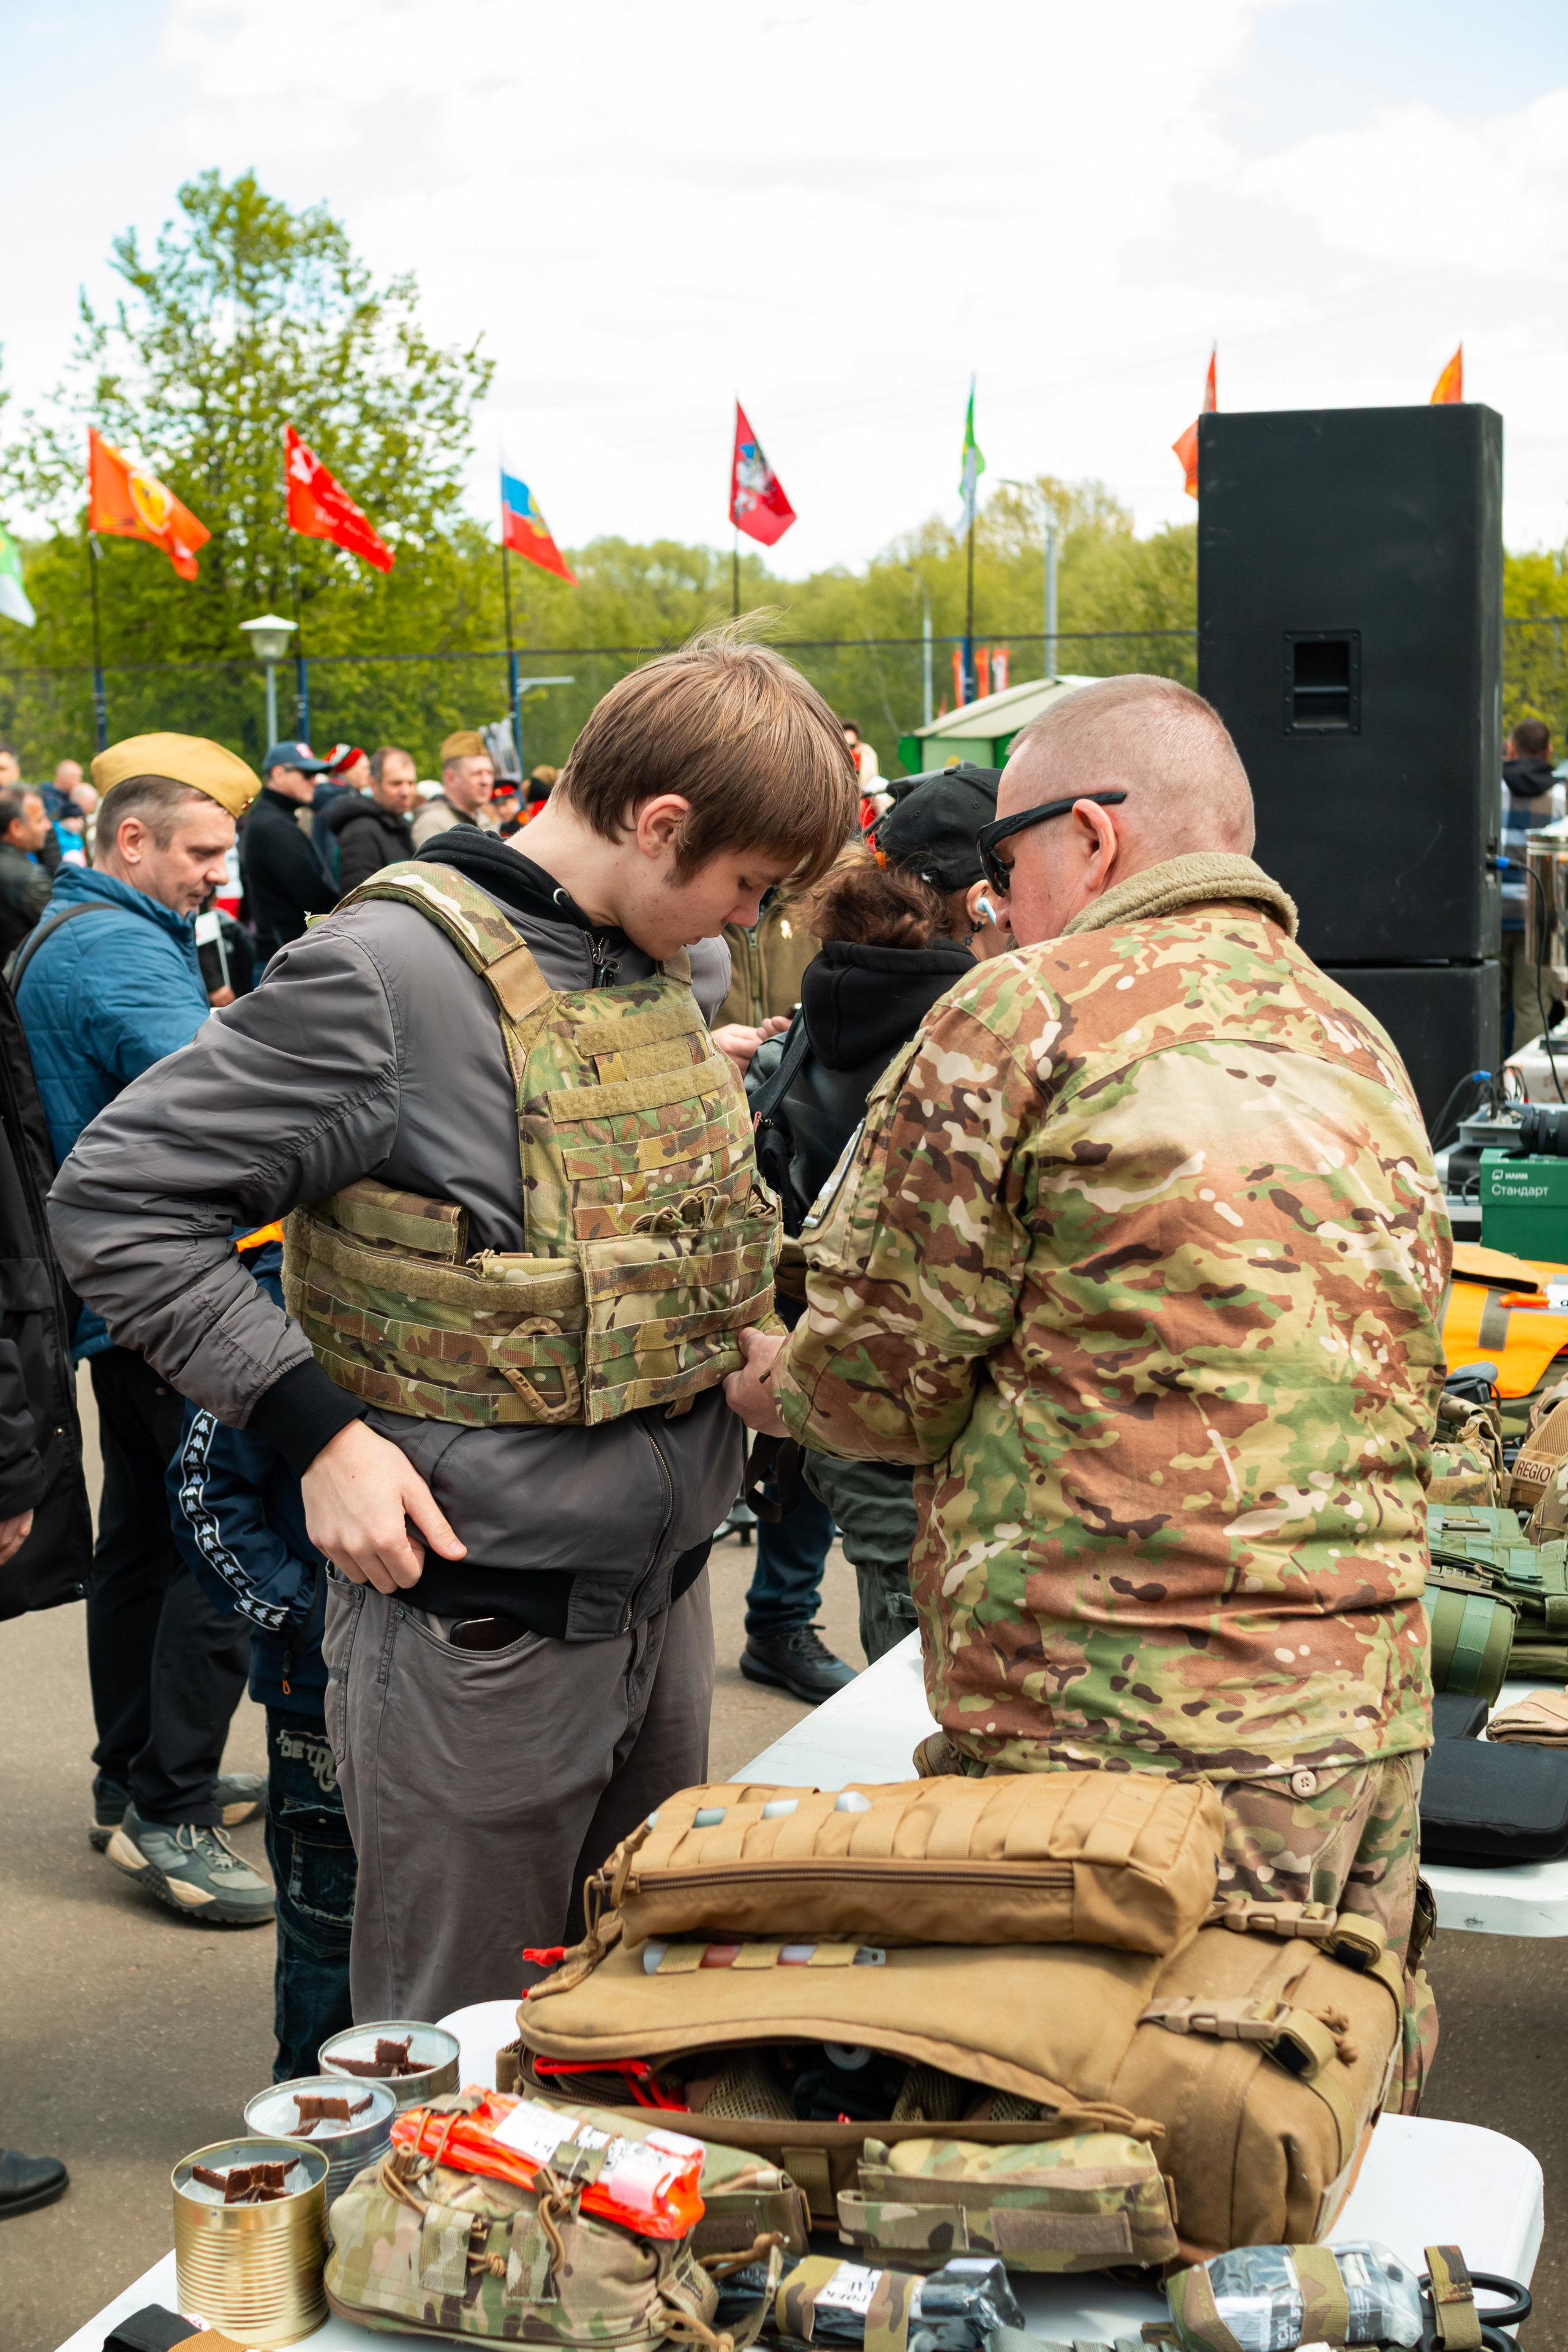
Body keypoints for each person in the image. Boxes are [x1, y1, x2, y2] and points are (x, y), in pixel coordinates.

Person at [48, 635, 857, 2022]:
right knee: (457, 2064)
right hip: (478, 1645)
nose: (745, 917)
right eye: (745, 881)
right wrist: (317, 1433)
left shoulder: (672, 974)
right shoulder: (384, 978)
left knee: (625, 2028)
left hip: (656, 1618)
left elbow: (637, 1239)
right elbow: (118, 1203)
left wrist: (741, 1347)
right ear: (659, 826)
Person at [727, 673, 1445, 2100]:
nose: (992, 904)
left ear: (1095, 838)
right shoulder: (1348, 1033)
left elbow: (875, 1391)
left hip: (1113, 1743)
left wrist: (756, 1372)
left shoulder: (1021, 1016)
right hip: (1360, 1712)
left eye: (1003, 864)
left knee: (1070, 2159)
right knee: (1295, 2116)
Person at [17, 734, 273, 1921]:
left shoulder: (87, 933)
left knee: (149, 1546)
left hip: (119, 1301)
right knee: (220, 1553)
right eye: (200, 852)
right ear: (131, 840)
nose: (215, 878)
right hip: (177, 1294)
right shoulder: (122, 949)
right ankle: (168, 1812)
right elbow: (222, 1120)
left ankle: (132, 1781)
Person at [751, 764, 1011, 1663]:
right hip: (925, 1418)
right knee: (927, 1702)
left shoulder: (842, 980)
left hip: (840, 1384)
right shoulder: (968, 1025)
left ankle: (778, 1623)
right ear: (980, 899)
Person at [168, 1233, 355, 2079]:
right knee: (329, 1923)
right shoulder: (276, 1298)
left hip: (467, 1682)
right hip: (316, 1695)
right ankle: (312, 2122)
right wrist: (304, 1616)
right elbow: (206, 1493)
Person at [240, 741, 338, 965]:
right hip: (284, 960)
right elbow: (315, 898)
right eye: (307, 775)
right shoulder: (274, 826)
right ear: (278, 774)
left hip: (282, 955)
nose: (315, 781)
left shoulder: (272, 818)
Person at [1501, 718, 1560, 1053]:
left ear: (1510, 749)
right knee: (1531, 1008)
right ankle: (1521, 1096)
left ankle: (1483, 1096)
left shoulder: (1490, 790)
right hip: (1538, 921)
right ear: (1549, 751)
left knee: (1486, 1009)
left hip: (1489, 920)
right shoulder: (1561, 797)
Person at [323, 744, 419, 894]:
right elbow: (359, 901)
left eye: (411, 783)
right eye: (396, 783)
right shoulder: (360, 831)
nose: (405, 792)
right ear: (373, 784)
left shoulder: (401, 825)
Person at [410, 729, 497, 848]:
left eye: (490, 773)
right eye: (477, 774)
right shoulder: (433, 822)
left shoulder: (483, 819)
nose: (486, 781)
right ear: (450, 778)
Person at [0, 786, 54, 957]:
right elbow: (67, 929)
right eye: (40, 819)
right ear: (17, 828)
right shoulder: (29, 878)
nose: (48, 825)